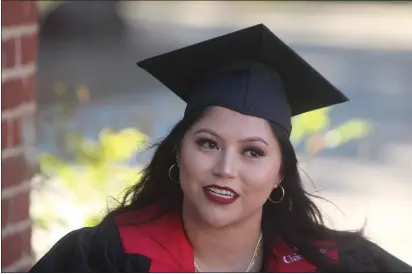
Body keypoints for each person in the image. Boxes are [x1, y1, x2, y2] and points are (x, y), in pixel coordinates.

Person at [30, 24, 412, 273]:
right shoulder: (102, 257)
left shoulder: (337, 264)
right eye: (208, 143)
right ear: (179, 154)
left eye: (253, 152)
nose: (225, 168)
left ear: (280, 172)